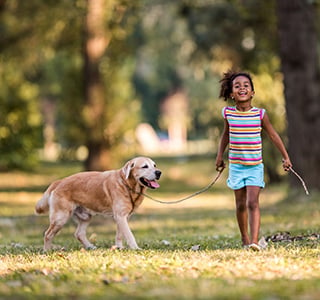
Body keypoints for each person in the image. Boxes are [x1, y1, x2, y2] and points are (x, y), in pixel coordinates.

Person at [215, 70, 292, 251]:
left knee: (252, 202)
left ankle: (254, 242)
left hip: (255, 166)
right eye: (237, 86)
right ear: (232, 93)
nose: (242, 88)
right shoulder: (228, 114)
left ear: (252, 92)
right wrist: (219, 156)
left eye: (246, 86)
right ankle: (245, 238)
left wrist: (286, 156)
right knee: (240, 204)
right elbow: (226, 136)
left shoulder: (260, 114)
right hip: (236, 166)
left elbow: (273, 135)